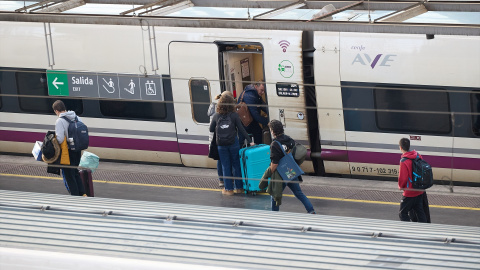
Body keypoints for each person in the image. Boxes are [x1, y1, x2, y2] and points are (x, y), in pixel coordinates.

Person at [259, 120, 315, 214]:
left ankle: (274, 215)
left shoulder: (274, 145)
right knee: (298, 193)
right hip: (290, 170)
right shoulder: (288, 139)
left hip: (280, 174)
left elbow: (274, 165)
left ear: (273, 131)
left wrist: (268, 173)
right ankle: (311, 211)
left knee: (275, 194)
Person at [210, 93, 254, 196]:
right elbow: (241, 129)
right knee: (236, 165)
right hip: (233, 143)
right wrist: (249, 140)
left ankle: (229, 189)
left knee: (225, 166)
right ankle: (239, 188)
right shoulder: (234, 115)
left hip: (221, 145)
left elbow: (211, 129)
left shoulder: (216, 116)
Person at [52, 100, 86, 196]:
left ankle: (75, 198)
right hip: (78, 150)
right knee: (75, 172)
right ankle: (83, 194)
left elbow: (60, 139)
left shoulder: (60, 121)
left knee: (69, 176)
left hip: (67, 152)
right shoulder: (76, 117)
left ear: (56, 111)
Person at [208, 91, 234, 188]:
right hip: (219, 137)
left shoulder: (213, 107)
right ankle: (224, 179)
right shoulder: (222, 109)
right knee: (223, 159)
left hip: (213, 137)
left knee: (219, 159)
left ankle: (222, 180)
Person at [398, 138, 427, 222]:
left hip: (409, 191)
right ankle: (425, 230)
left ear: (400, 148)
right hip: (419, 189)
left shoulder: (404, 161)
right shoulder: (418, 155)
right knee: (419, 212)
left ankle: (409, 230)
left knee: (402, 213)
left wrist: (401, 187)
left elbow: (403, 178)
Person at [237, 81, 268, 146]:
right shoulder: (249, 96)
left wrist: (270, 112)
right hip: (244, 121)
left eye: (264, 91)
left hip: (250, 119)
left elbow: (262, 105)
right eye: (261, 90)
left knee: (258, 133)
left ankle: (257, 150)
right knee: (243, 139)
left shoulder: (256, 94)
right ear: (256, 87)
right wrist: (268, 122)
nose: (263, 93)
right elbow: (255, 115)